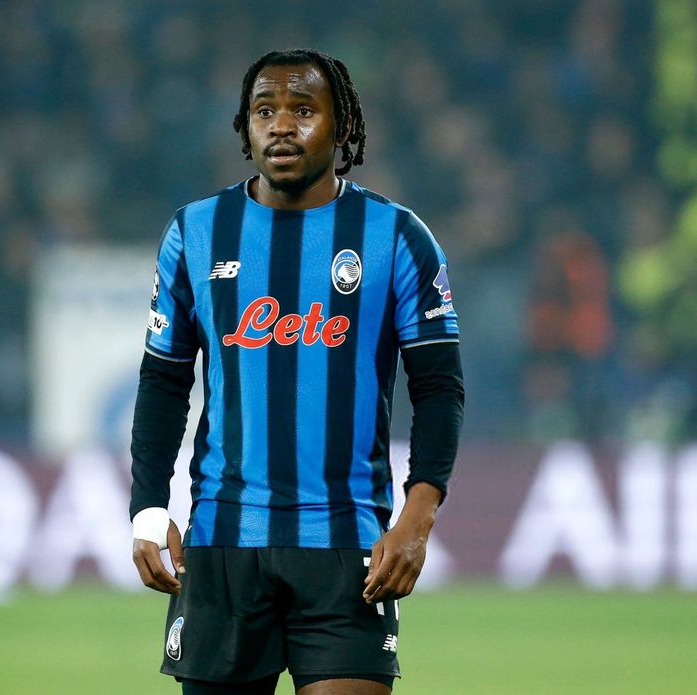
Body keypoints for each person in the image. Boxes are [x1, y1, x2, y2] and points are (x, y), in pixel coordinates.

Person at [130, 49, 465, 694]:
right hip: (223, 541)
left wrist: (417, 518)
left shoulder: (396, 236)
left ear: (343, 128)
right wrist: (148, 505)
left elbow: (438, 387)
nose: (281, 125)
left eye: (303, 110)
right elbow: (164, 381)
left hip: (349, 546)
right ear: (245, 127)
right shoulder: (195, 231)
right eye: (265, 111)